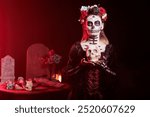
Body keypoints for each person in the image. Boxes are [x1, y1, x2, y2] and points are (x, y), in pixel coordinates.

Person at [63, 4, 117, 99]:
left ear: (101, 26)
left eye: (96, 23)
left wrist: (104, 67)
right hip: (79, 97)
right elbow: (67, 74)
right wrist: (81, 66)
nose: (93, 27)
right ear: (84, 25)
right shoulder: (77, 48)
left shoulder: (109, 49)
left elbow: (117, 77)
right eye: (89, 23)